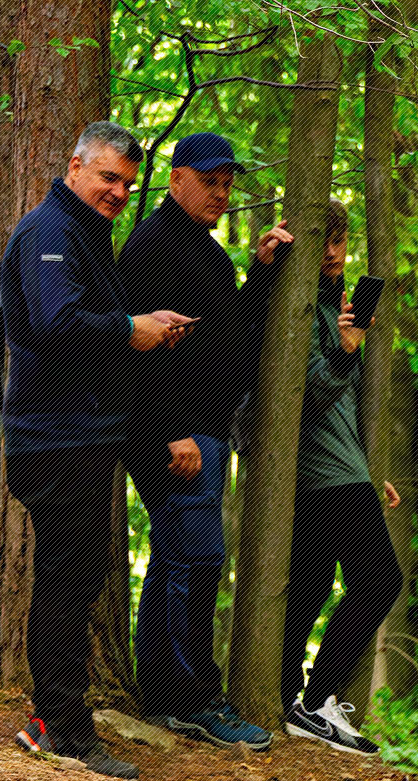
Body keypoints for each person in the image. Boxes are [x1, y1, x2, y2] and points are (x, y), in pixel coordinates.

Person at [2, 121, 193, 780]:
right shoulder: (50, 232)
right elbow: (56, 324)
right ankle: (64, 731)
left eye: (127, 184)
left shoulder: (85, 231)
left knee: (77, 577)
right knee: (67, 578)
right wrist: (129, 328)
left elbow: (88, 324)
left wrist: (143, 328)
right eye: (108, 177)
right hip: (55, 438)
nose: (117, 191)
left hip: (81, 434)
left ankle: (54, 719)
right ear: (75, 166)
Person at [119, 131, 292, 749]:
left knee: (179, 558)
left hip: (205, 430)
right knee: (195, 560)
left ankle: (163, 693)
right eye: (209, 181)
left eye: (226, 184)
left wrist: (261, 272)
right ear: (176, 180)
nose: (220, 193)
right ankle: (192, 700)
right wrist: (172, 432)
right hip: (174, 434)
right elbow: (136, 348)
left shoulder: (208, 253)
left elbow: (229, 331)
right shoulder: (153, 245)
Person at [280, 200, 401, 755]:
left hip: (343, 467)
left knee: (310, 586)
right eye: (322, 241)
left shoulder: (336, 306)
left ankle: (292, 699)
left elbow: (346, 405)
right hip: (322, 469)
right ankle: (316, 700)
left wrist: (371, 470)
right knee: (379, 581)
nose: (332, 252)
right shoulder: (298, 307)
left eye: (340, 240)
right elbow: (304, 396)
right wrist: (348, 349)